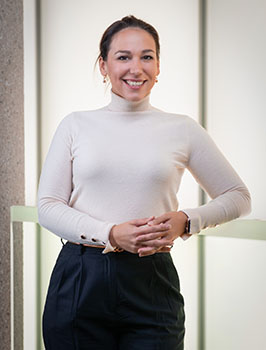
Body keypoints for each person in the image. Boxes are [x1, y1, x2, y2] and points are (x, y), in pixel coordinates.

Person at [37, 15, 251, 350]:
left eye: (146, 57)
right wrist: (111, 233)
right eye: (123, 57)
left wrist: (187, 221)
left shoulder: (182, 128)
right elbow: (48, 207)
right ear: (104, 66)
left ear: (159, 66)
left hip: (151, 278)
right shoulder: (75, 125)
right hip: (80, 276)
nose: (136, 68)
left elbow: (238, 196)